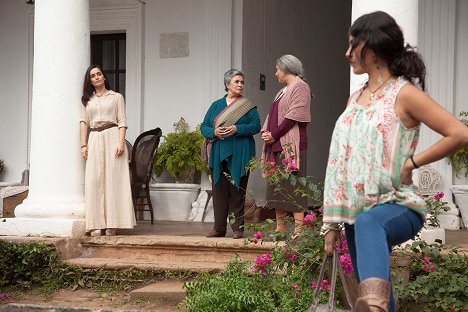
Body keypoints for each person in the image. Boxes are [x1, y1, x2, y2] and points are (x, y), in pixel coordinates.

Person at [322, 11, 468, 312]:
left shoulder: (404, 94)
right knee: (372, 288)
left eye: (353, 46)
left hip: (397, 203)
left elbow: (458, 133)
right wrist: (331, 224)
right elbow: (341, 159)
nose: (347, 53)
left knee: (369, 232)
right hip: (356, 210)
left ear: (372, 47)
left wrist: (411, 163)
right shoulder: (356, 98)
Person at [201, 69, 261, 239]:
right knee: (219, 191)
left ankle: (237, 229)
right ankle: (219, 228)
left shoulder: (247, 106)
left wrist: (237, 128)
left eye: (242, 82)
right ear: (227, 84)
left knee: (237, 191)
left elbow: (256, 125)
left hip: (241, 152)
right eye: (237, 82)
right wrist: (214, 132)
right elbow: (204, 126)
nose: (240, 85)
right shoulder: (216, 105)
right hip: (219, 153)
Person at [80, 65, 136, 237]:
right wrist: (83, 144)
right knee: (94, 180)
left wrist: (120, 142)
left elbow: (122, 121)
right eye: (92, 76)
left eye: (99, 74)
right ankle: (96, 223)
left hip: (112, 137)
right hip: (94, 138)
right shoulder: (86, 100)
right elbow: (83, 122)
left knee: (114, 180)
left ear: (104, 77)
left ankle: (113, 223)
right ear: (89, 80)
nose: (96, 77)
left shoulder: (117, 97)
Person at [260, 54, 311, 236]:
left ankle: (299, 229)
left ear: (287, 68)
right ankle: (280, 228)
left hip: (291, 145)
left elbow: (293, 116)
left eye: (277, 69)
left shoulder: (300, 87)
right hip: (276, 143)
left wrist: (273, 134)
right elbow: (271, 116)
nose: (275, 73)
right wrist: (266, 132)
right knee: (276, 186)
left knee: (294, 185)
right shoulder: (281, 91)